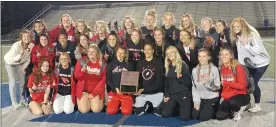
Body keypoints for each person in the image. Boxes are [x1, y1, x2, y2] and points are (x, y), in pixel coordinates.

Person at [230, 17, 270, 113]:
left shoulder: (252, 35)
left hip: (260, 63)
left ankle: (257, 105)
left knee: (253, 83)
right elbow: (240, 52)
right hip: (248, 64)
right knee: (246, 83)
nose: (235, 28)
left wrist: (246, 45)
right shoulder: (238, 36)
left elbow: (256, 51)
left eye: (238, 26)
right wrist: (240, 65)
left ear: (243, 26)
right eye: (234, 26)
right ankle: (247, 103)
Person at [216, 47, 250, 121]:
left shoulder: (237, 67)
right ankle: (233, 109)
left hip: (241, 95)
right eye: (222, 54)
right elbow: (224, 86)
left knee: (233, 102)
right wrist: (223, 96)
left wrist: (228, 83)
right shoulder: (221, 68)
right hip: (229, 95)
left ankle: (241, 107)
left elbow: (242, 86)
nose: (224, 56)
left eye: (226, 54)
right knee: (219, 116)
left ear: (231, 56)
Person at [4, 30, 35, 110]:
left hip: (20, 64)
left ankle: (22, 100)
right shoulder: (16, 45)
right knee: (13, 82)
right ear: (21, 37)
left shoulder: (31, 46)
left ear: (30, 37)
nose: (26, 38)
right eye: (24, 36)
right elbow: (14, 60)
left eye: (28, 36)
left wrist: (24, 67)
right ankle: (14, 102)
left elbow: (28, 59)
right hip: (10, 62)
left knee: (23, 82)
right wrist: (21, 54)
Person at [161, 46, 192, 121]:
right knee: (165, 114)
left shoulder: (183, 64)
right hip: (173, 95)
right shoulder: (167, 66)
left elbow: (189, 82)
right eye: (167, 53)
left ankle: (182, 107)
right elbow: (166, 84)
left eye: (171, 52)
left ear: (176, 53)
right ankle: (176, 107)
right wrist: (167, 95)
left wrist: (180, 77)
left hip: (184, 94)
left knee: (184, 117)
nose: (169, 55)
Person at [74, 44, 106, 113]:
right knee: (84, 110)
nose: (90, 53)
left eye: (93, 52)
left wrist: (94, 93)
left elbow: (102, 80)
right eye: (89, 51)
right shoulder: (82, 61)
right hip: (84, 90)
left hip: (96, 91)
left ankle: (96, 101)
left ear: (97, 53)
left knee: (96, 109)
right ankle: (86, 101)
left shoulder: (102, 63)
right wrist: (82, 71)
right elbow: (76, 77)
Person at [134, 42, 164, 116]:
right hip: (143, 93)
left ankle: (151, 105)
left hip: (156, 93)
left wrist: (144, 89)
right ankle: (147, 104)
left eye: (149, 49)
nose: (147, 51)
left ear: (153, 51)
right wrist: (134, 89)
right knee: (138, 113)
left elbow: (159, 83)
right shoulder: (139, 63)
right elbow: (137, 79)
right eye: (145, 49)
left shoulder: (158, 63)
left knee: (159, 113)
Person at [191, 48, 221, 121]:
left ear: (208, 57)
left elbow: (217, 87)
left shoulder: (214, 69)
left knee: (203, 117)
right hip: (201, 98)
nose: (201, 59)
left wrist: (207, 83)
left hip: (212, 98)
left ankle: (215, 108)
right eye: (199, 56)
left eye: (204, 56)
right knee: (194, 116)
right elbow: (194, 88)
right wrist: (196, 102)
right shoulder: (194, 70)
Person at [106, 46, 134, 115]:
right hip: (114, 92)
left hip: (125, 93)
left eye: (122, 53)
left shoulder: (129, 66)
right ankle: (117, 104)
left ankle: (123, 104)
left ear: (125, 54)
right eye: (118, 52)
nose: (119, 55)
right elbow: (108, 80)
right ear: (116, 53)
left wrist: (130, 90)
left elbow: (132, 80)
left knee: (126, 112)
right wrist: (115, 89)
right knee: (110, 111)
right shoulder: (110, 65)